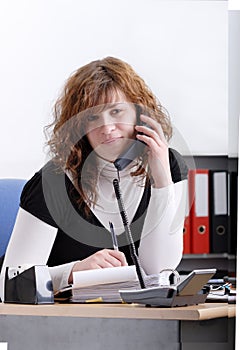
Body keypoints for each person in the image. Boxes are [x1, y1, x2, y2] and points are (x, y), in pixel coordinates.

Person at [0, 57, 188, 301]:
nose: (107, 127)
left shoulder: (167, 165)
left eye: (117, 111)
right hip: (60, 321)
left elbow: (158, 271)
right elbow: (10, 285)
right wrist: (72, 272)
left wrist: (162, 181)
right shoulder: (54, 182)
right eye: (93, 118)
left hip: (130, 320)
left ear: (139, 114)